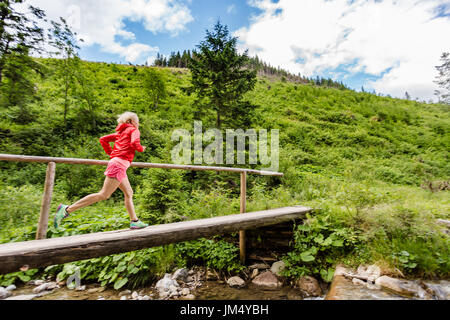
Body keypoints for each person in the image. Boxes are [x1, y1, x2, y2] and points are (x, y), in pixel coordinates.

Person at [54, 112, 149, 230]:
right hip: (119, 165)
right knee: (104, 194)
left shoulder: (120, 133)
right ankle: (67, 209)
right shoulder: (134, 130)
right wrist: (141, 148)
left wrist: (111, 154)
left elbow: (103, 139)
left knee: (129, 192)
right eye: (137, 121)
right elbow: (135, 143)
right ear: (130, 121)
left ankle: (134, 221)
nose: (138, 124)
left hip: (118, 164)